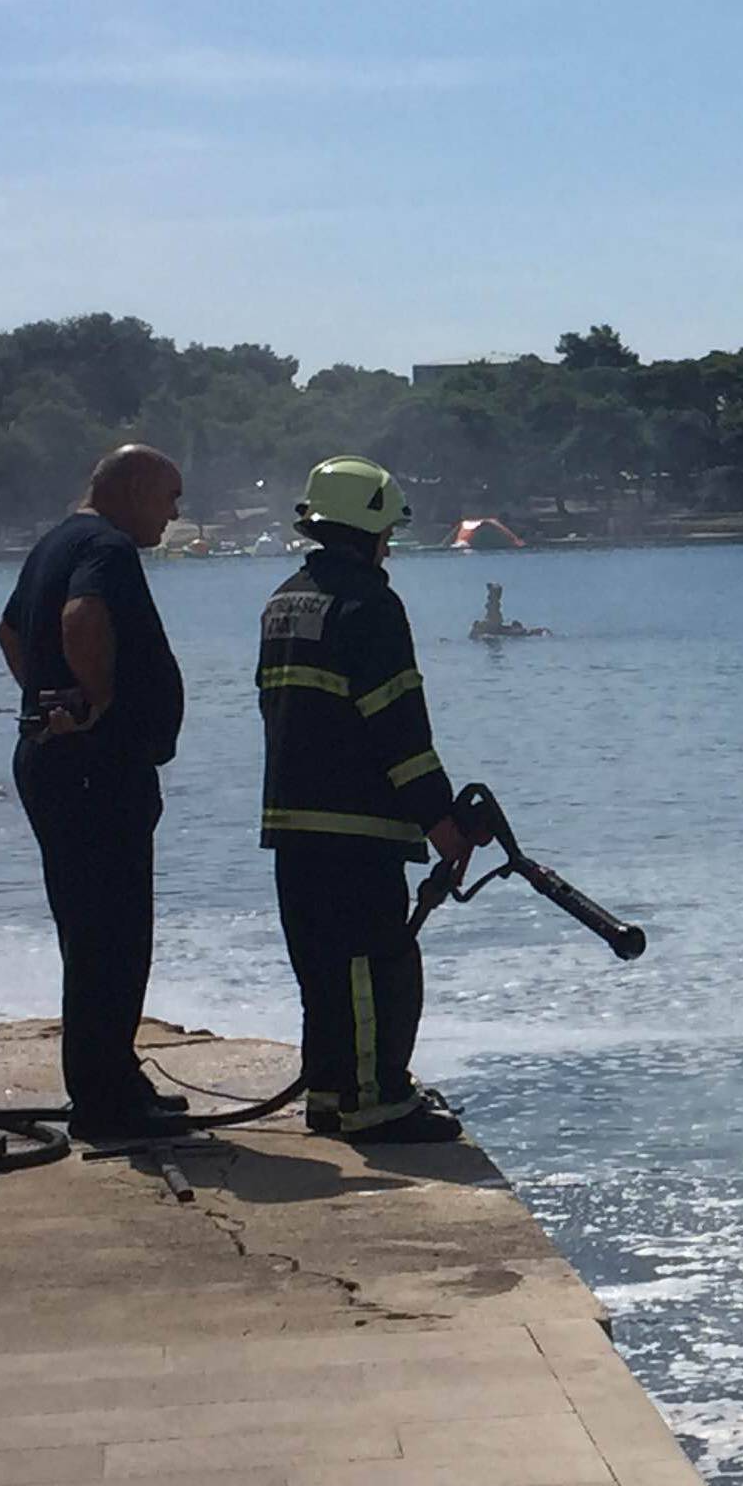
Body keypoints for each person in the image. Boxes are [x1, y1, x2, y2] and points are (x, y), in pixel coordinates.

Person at [258, 456, 472, 1144]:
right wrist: (440, 820)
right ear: (375, 527)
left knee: (321, 965)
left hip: (292, 820)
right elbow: (398, 724)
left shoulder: (285, 598)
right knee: (373, 965)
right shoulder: (371, 605)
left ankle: (330, 1092)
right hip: (356, 824)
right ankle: (375, 1100)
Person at [0, 444, 188, 1139]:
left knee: (89, 929)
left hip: (57, 765)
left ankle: (111, 1074)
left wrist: (46, 698)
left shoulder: (56, 540)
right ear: (133, 488)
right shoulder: (107, 547)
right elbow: (81, 617)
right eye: (169, 497)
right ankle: (107, 1104)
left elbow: (12, 630)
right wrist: (96, 704)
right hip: (94, 772)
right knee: (112, 933)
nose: (175, 514)